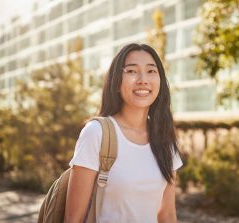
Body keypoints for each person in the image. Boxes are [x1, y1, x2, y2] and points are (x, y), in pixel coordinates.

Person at [65, 43, 183, 223]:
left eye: (151, 71)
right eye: (131, 71)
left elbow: (167, 215)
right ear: (116, 81)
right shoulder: (96, 133)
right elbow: (73, 219)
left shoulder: (164, 139)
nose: (143, 79)